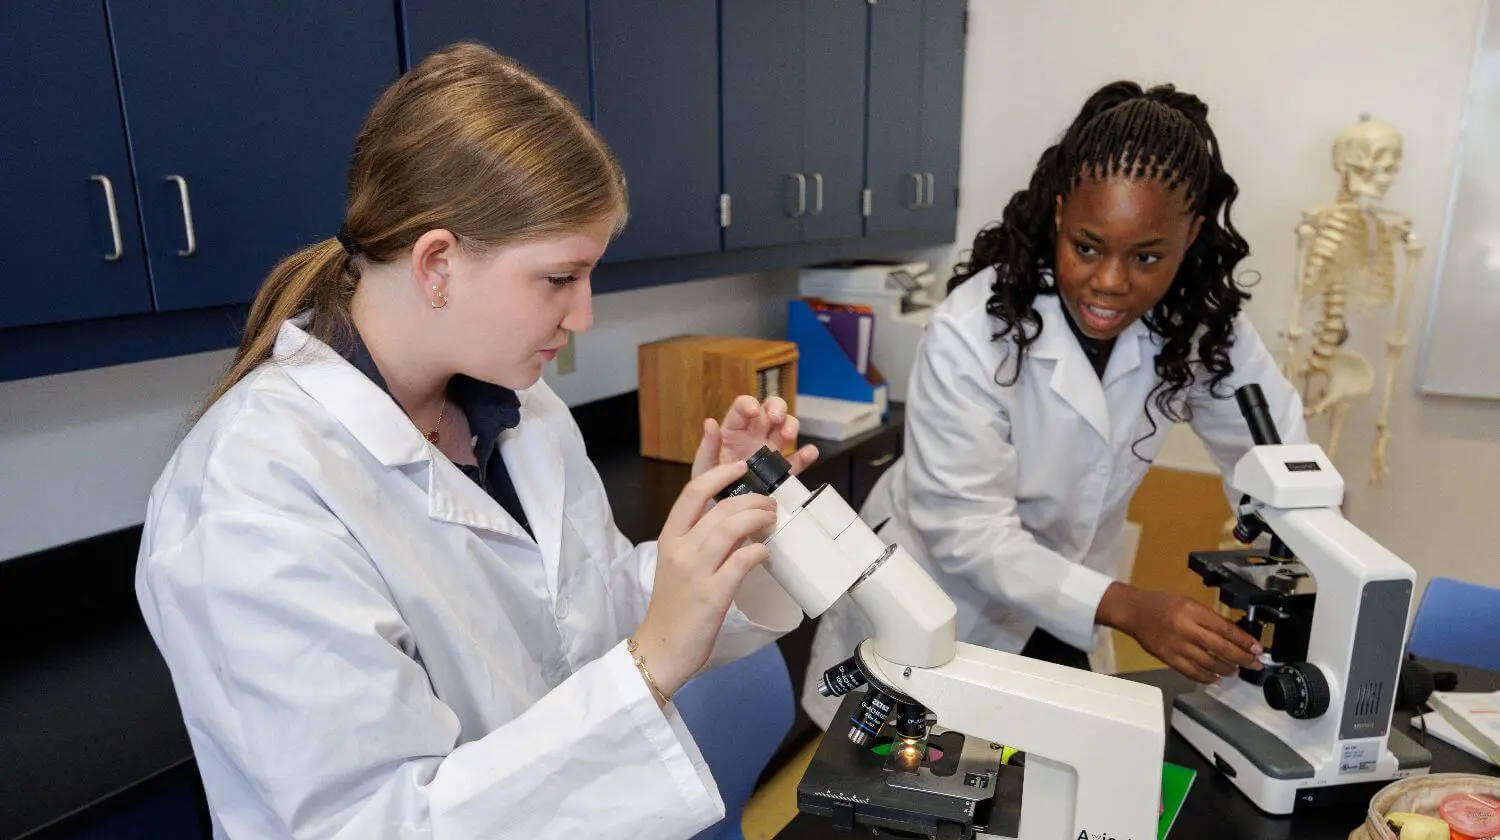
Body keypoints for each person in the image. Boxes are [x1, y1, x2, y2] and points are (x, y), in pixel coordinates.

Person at [136, 43, 820, 839]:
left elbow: (582, 620)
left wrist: (710, 539)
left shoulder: (521, 412)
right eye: (560, 278)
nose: (583, 315)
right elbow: (372, 822)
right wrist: (652, 664)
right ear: (436, 264)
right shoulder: (250, 491)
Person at [803, 80, 1309, 729]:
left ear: (1192, 236)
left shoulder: (1202, 329)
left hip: (1070, 601)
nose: (1110, 281)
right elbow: (967, 533)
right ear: (1061, 214)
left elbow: (1281, 457)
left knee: (1055, 785)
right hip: (937, 599)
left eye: (1148, 256)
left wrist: (1304, 534)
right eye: (1088, 246)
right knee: (895, 794)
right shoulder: (972, 329)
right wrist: (1131, 607)